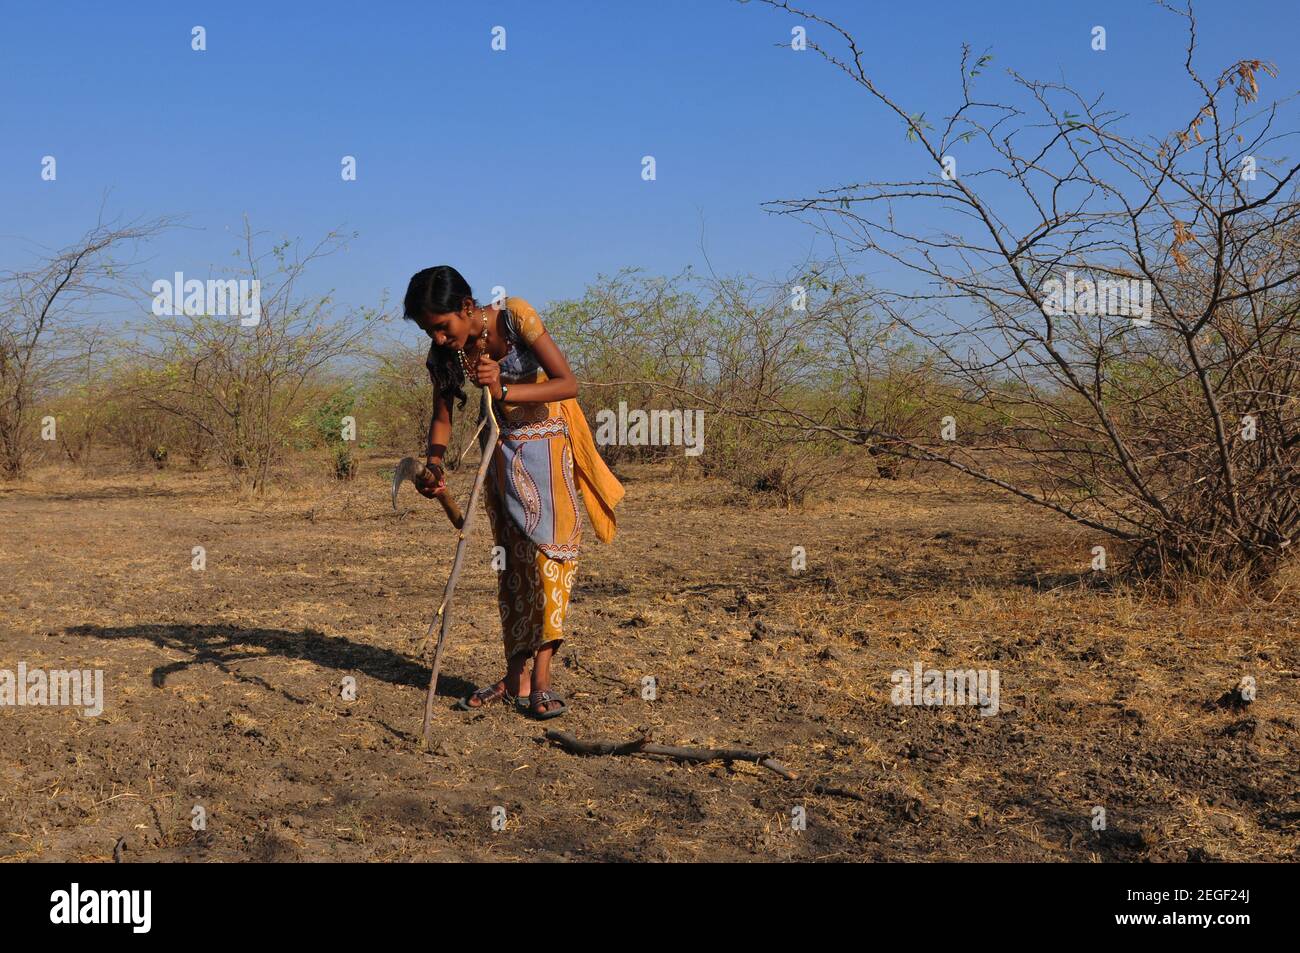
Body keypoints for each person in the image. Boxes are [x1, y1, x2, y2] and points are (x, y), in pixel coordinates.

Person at [402, 265, 623, 719]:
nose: (439, 338)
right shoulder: (445, 354)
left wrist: (503, 386)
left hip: (547, 448)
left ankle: (541, 679)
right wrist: (435, 464)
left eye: (442, 327)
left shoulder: (516, 317)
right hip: (499, 455)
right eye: (430, 331)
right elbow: (442, 415)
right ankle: (514, 675)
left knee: (550, 559)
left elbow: (568, 382)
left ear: (467, 308)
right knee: (514, 565)